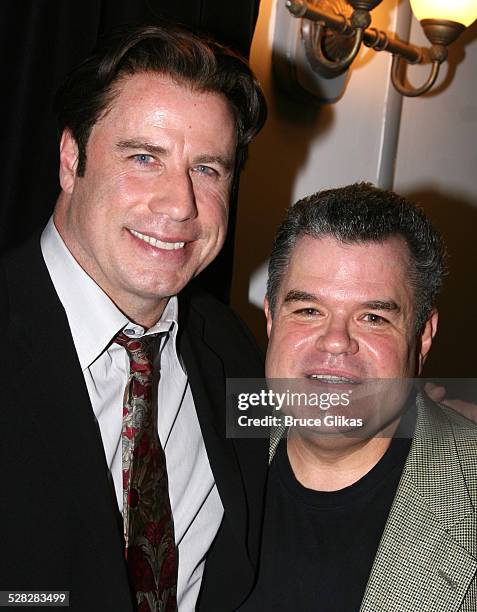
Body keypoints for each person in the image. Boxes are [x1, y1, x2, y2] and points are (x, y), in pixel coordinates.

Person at [0, 24, 268, 611]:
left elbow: (327, 412)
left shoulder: (229, 347)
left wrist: (428, 410)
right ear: (72, 160)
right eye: (145, 157)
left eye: (208, 169)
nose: (180, 204)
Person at [241, 183, 477, 611]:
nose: (335, 342)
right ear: (272, 320)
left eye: (373, 317)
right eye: (308, 310)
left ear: (423, 337)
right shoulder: (202, 447)